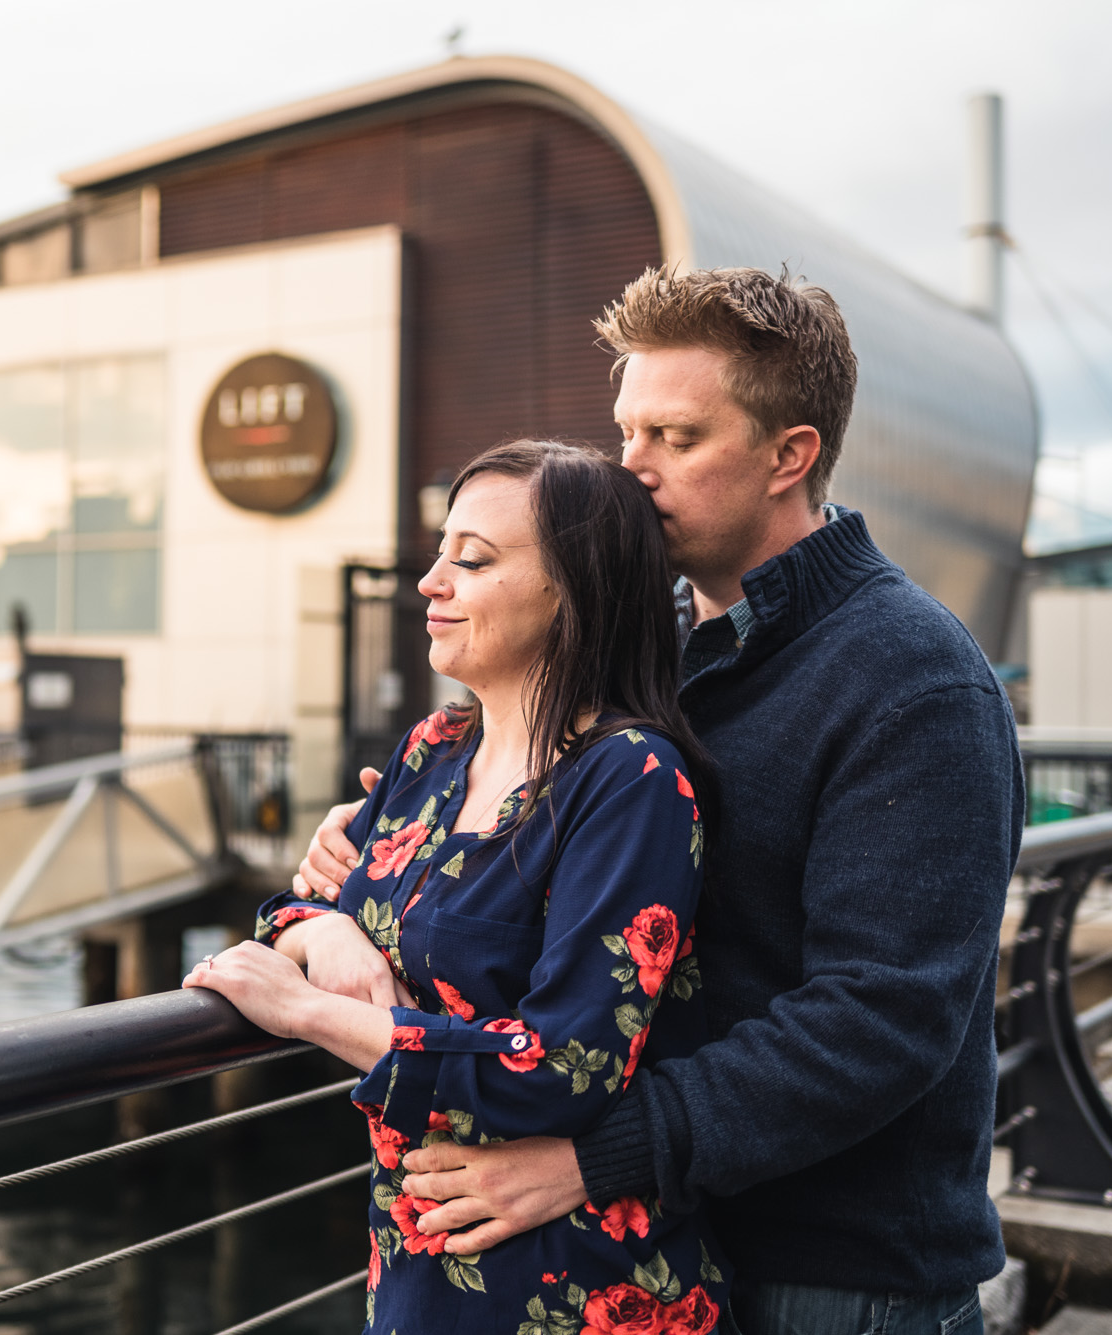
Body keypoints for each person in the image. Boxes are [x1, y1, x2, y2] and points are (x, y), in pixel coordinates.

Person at [291, 267, 1021, 1335]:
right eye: (626, 433)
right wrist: (371, 870)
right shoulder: (649, 657)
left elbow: (880, 1022)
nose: (628, 472)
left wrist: (594, 1158)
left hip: (836, 1276)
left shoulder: (913, 678)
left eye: (674, 439)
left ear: (790, 456)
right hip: (663, 1245)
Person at [187, 440, 731, 1333]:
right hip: (415, 1262)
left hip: (575, 1280)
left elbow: (567, 1066)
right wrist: (322, 937)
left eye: (472, 560)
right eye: (440, 552)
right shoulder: (435, 747)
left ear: (573, 590)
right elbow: (298, 903)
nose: (430, 582)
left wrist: (312, 1012)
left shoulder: (631, 779)